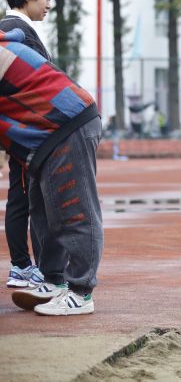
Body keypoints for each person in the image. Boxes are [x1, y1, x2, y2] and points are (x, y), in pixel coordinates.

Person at [0, 27, 103, 315]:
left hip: (66, 124)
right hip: (43, 135)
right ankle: (54, 281)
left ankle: (81, 292)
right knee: (44, 212)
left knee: (74, 211)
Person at [1, 0, 57, 290]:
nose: (49, 5)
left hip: (24, 132)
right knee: (26, 199)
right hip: (28, 133)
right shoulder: (15, 31)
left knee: (24, 197)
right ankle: (24, 266)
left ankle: (24, 265)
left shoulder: (17, 29)